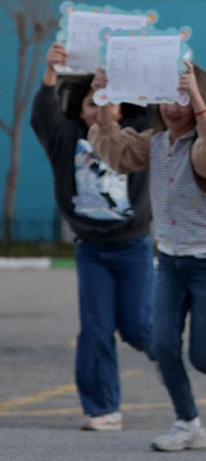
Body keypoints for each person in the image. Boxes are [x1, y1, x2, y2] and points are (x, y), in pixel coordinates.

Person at [89, 61, 206, 452]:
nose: (172, 108)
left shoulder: (204, 144)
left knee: (204, 356)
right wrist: (105, 99)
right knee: (162, 347)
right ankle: (188, 424)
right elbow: (115, 152)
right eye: (166, 99)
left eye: (183, 99)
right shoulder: (156, 143)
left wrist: (197, 99)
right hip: (170, 263)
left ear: (197, 103)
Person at [30, 42, 154, 432]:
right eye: (91, 102)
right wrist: (51, 71)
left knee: (139, 329)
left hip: (133, 247)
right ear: (79, 109)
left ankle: (178, 359)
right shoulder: (66, 138)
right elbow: (43, 114)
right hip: (92, 250)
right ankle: (102, 407)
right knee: (96, 329)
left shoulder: (138, 136)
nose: (98, 107)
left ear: (121, 109)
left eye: (107, 100)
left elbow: (159, 106)